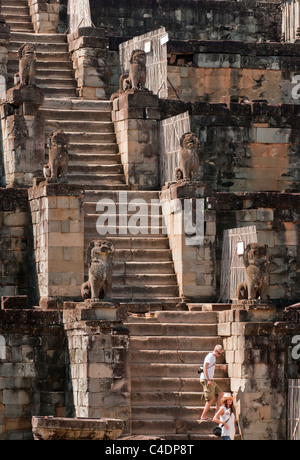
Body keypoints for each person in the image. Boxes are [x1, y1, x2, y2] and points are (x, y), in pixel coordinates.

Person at [200, 344, 226, 421]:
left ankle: (216, 412)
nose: (219, 355)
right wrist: (208, 380)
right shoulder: (210, 356)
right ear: (215, 350)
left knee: (220, 393)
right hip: (207, 380)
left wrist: (220, 367)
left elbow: (211, 367)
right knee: (211, 399)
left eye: (221, 354)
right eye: (219, 353)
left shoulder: (213, 357)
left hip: (210, 379)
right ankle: (203, 416)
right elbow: (205, 367)